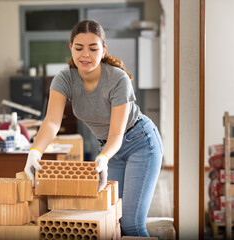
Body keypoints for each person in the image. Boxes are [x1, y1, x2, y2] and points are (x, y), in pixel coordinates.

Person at [24, 19, 163, 237]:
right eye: (79, 48)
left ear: (104, 50)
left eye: (93, 48)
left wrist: (104, 157)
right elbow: (52, 121)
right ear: (71, 48)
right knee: (113, 218)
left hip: (140, 143)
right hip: (109, 151)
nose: (85, 55)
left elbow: (117, 133)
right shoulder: (64, 79)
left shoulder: (118, 79)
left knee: (132, 224)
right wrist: (35, 151)